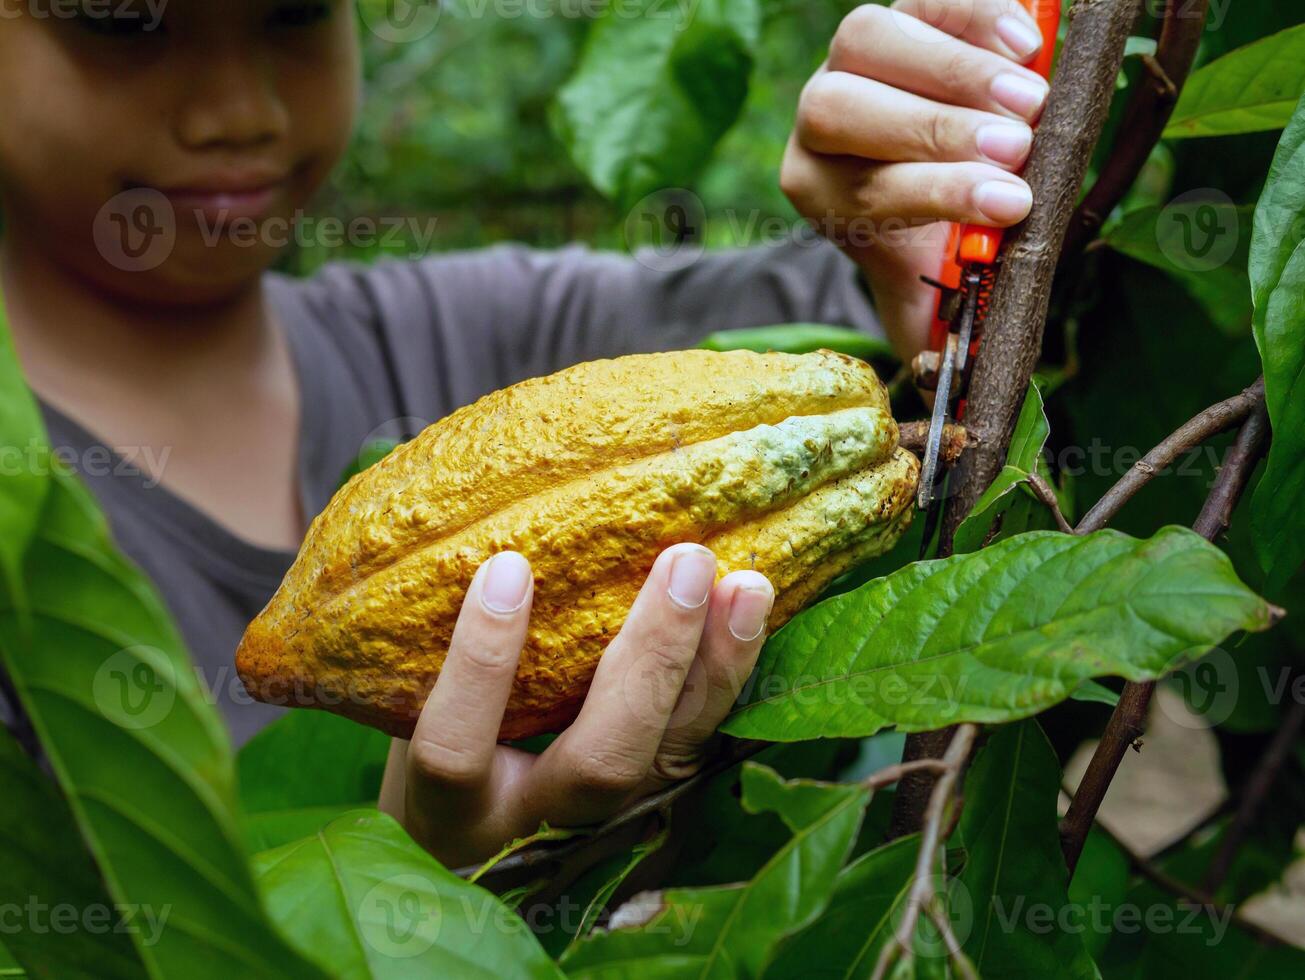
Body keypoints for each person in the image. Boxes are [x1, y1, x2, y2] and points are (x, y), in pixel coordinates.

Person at [0, 0, 1046, 866]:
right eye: (123, 19)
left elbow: (866, 336)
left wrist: (915, 245)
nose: (239, 110)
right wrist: (432, 900)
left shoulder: (480, 330)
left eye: (293, 12)